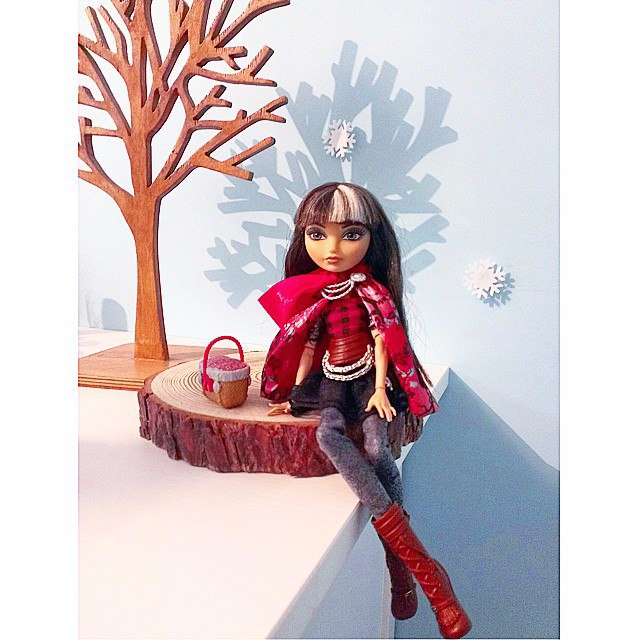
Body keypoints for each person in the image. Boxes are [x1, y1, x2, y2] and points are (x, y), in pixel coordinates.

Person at [258, 182, 471, 639]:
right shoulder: (317, 298)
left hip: (367, 383)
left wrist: (379, 390)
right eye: (317, 234)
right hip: (332, 382)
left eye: (350, 234)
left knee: (376, 448)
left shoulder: (371, 294)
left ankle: (411, 574)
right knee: (327, 434)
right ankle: (426, 577)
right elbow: (309, 348)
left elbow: (383, 339)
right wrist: (293, 396)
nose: (332, 248)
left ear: (373, 238)